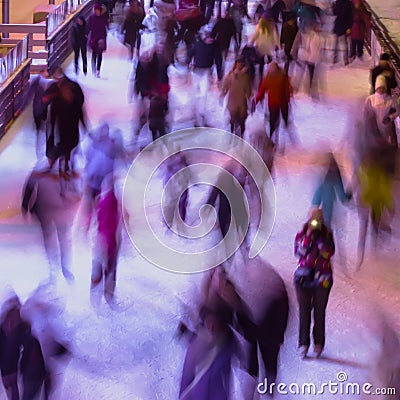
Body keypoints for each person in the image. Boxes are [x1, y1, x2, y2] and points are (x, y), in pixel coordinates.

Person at [21, 161, 75, 282]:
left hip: (58, 211)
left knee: (61, 239)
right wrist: (25, 207)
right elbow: (28, 188)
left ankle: (62, 268)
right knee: (54, 239)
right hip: (47, 210)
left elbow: (73, 187)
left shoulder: (64, 167)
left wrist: (26, 207)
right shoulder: (40, 169)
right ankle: (55, 269)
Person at [294, 208, 335, 358]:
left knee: (319, 312)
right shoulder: (302, 233)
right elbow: (298, 253)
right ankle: (303, 343)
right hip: (303, 278)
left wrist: (320, 239)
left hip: (322, 279)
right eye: (312, 218)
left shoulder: (327, 234)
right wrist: (309, 236)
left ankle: (319, 343)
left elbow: (329, 252)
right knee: (304, 311)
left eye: (317, 218)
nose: (315, 220)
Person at [42, 67, 86, 178]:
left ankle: (64, 166)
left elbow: (80, 103)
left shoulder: (72, 87)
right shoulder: (56, 88)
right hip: (59, 122)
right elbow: (45, 99)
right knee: (62, 145)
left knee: (67, 145)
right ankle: (60, 166)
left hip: (69, 122)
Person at [91, 173, 121, 305]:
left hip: (102, 238)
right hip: (109, 240)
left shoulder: (101, 198)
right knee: (109, 269)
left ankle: (96, 300)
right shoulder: (112, 200)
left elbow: (96, 219)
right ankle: (108, 298)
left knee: (99, 269)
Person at [252, 62, 293, 145]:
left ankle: (278, 138)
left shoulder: (282, 77)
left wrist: (288, 98)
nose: (270, 70)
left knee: (279, 121)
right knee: (273, 123)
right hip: (274, 103)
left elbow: (287, 89)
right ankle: (273, 139)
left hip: (281, 103)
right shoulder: (268, 78)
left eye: (271, 68)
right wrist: (255, 101)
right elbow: (262, 91)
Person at [311, 153, 352, 228]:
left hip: (326, 210)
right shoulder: (334, 176)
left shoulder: (325, 177)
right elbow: (342, 197)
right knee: (329, 227)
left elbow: (318, 194)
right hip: (333, 210)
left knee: (325, 226)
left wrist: (315, 205)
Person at [0, 296, 27, 400]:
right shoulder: (2, 330)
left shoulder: (21, 330)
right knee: (11, 389)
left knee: (13, 389)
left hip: (12, 369)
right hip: (7, 370)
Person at [364, 74, 400, 147]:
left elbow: (398, 111)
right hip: (375, 127)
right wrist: (370, 123)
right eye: (379, 87)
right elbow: (366, 112)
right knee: (378, 145)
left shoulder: (390, 99)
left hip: (388, 128)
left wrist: (390, 117)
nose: (381, 89)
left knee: (388, 145)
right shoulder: (370, 99)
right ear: (376, 87)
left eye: (383, 87)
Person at [220, 57, 252, 137]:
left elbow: (225, 88)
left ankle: (233, 136)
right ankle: (239, 138)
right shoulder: (245, 77)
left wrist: (222, 95)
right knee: (240, 122)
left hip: (233, 103)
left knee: (233, 121)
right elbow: (248, 92)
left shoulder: (230, 75)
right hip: (240, 104)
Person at [249, 14, 280, 79]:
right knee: (268, 56)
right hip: (268, 46)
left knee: (261, 61)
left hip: (260, 46)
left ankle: (261, 74)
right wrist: (278, 45)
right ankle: (269, 70)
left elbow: (255, 35)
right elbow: (275, 37)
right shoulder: (272, 26)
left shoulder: (260, 25)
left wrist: (251, 42)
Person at [88, 2, 109, 77]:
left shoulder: (103, 17)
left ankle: (98, 70)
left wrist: (103, 38)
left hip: (101, 38)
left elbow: (105, 27)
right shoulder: (91, 17)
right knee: (94, 54)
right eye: (95, 10)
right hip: (94, 38)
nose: (96, 11)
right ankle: (94, 68)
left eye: (98, 10)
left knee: (99, 54)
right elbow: (89, 27)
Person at [332, 0, 353, 65]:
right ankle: (336, 58)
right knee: (337, 43)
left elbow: (350, 16)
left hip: (343, 25)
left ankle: (344, 59)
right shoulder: (339, 2)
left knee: (342, 43)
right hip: (340, 25)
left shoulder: (348, 3)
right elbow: (335, 13)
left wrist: (349, 27)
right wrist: (333, 7)